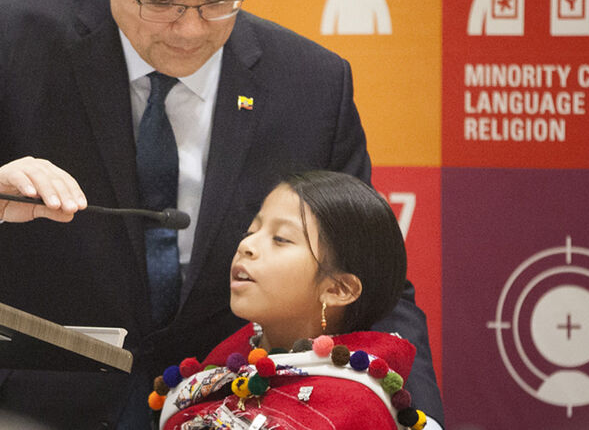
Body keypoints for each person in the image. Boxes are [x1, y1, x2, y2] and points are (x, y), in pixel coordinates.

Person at [0, 0, 444, 428]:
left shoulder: (311, 85)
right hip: (37, 401)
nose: (190, 30)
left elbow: (371, 278)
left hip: (229, 400)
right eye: (161, 1)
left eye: (217, 0)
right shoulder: (12, 36)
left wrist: (417, 416)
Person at [151, 170, 427, 429]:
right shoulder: (218, 371)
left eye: (280, 239)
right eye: (250, 231)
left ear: (337, 289)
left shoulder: (352, 407)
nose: (246, 246)